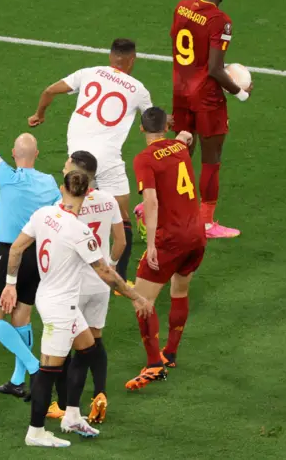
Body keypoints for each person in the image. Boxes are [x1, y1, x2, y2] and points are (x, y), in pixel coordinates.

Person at [0, 170, 152, 448]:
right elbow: (106, 272)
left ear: (62, 189)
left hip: (47, 295)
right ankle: (35, 432)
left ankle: (71, 415)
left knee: (87, 347)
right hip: (61, 306)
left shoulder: (43, 214)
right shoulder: (79, 231)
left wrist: (10, 284)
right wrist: (136, 297)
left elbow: (16, 249)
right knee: (48, 370)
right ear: (87, 193)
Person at [0, 86, 61, 399]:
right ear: (37, 155)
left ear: (15, 155)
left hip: (11, 254)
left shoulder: (7, 176)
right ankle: (18, 381)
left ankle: (33, 367)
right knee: (22, 314)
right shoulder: (48, 183)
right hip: (41, 255)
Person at [28, 38, 153, 283]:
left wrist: (38, 114)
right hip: (107, 160)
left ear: (110, 56)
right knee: (122, 216)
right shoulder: (138, 89)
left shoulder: (89, 73)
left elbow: (49, 90)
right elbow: (150, 124)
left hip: (78, 157)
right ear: (132, 60)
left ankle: (59, 258)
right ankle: (119, 278)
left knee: (73, 208)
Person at [168, 0, 253, 238]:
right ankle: (206, 224)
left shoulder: (182, 7)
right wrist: (239, 91)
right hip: (206, 97)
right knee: (211, 159)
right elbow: (216, 69)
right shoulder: (221, 20)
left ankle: (167, 210)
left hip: (181, 90)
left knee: (181, 152)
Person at [125, 108, 205, 390]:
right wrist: (182, 135)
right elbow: (184, 140)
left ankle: (154, 365)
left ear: (141, 129)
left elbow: (152, 201)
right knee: (179, 290)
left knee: (141, 300)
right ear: (166, 127)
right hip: (196, 234)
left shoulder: (144, 159)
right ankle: (170, 352)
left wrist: (150, 245)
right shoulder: (179, 147)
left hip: (170, 239)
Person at [47, 151, 126, 424]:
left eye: (68, 164)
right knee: (96, 338)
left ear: (77, 171)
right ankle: (100, 393)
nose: (64, 166)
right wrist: (111, 266)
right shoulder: (108, 201)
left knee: (70, 346)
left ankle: (68, 407)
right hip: (101, 283)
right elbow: (121, 242)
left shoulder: (64, 204)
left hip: (73, 285)